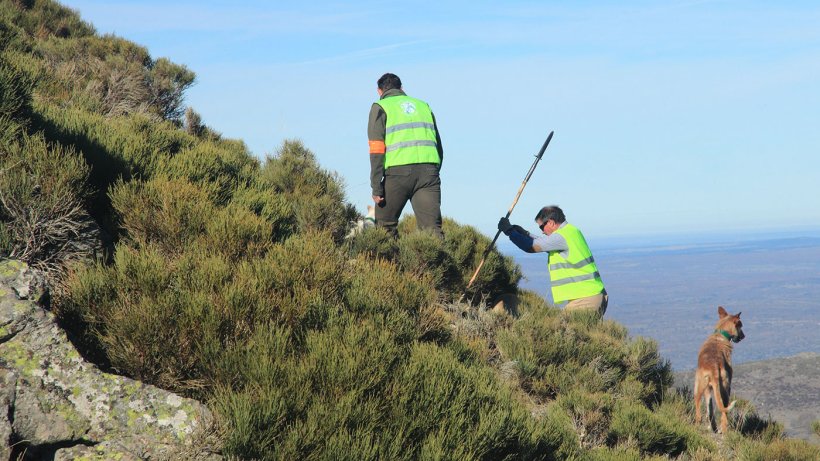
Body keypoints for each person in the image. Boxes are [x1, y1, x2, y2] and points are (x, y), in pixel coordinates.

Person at [368, 73, 444, 238]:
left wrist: (376, 186)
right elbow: (438, 145)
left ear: (379, 91)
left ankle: (390, 264)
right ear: (402, 88)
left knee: (384, 228)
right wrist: (434, 171)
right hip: (428, 174)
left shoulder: (380, 106)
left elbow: (376, 149)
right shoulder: (424, 106)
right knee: (432, 231)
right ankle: (441, 264)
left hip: (397, 173)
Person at [498, 206, 608, 316]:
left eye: (542, 227)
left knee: (558, 329)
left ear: (550, 222)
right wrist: (525, 233)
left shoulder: (561, 236)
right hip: (593, 295)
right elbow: (545, 242)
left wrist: (509, 231)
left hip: (586, 299)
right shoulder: (571, 231)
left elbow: (530, 246)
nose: (542, 232)